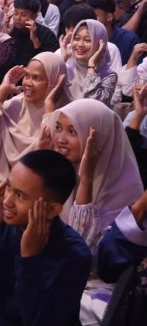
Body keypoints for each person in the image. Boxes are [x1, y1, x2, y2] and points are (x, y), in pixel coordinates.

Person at [0, 150, 92, 326]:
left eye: (20, 195)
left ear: (51, 210)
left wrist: (30, 259)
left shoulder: (74, 254)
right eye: (9, 188)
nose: (7, 201)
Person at [48, 99, 145, 325]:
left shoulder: (125, 188)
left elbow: (81, 255)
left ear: (99, 140)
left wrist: (87, 180)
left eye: (73, 132)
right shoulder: (63, 173)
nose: (60, 138)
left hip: (95, 290)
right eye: (58, 128)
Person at [0, 52, 71, 183]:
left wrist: (49, 106)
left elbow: (51, 160)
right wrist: (3, 89)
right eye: (26, 75)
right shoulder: (14, 106)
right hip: (5, 187)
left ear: (54, 82)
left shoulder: (67, 116)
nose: (28, 83)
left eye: (36, 78)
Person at [63, 19, 118, 106]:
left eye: (87, 40)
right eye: (76, 39)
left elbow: (93, 105)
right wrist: (63, 60)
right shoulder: (66, 67)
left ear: (99, 45)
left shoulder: (108, 76)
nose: (80, 44)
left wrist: (91, 65)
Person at [87, 0, 139, 65]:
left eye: (94, 16)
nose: (89, 20)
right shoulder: (84, 41)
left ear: (109, 17)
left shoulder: (129, 40)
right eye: (87, 16)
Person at [9, 0, 59, 66]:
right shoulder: (11, 31)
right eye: (16, 13)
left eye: (23, 15)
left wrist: (35, 40)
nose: (18, 18)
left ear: (35, 17)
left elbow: (49, 63)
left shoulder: (47, 34)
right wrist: (6, 36)